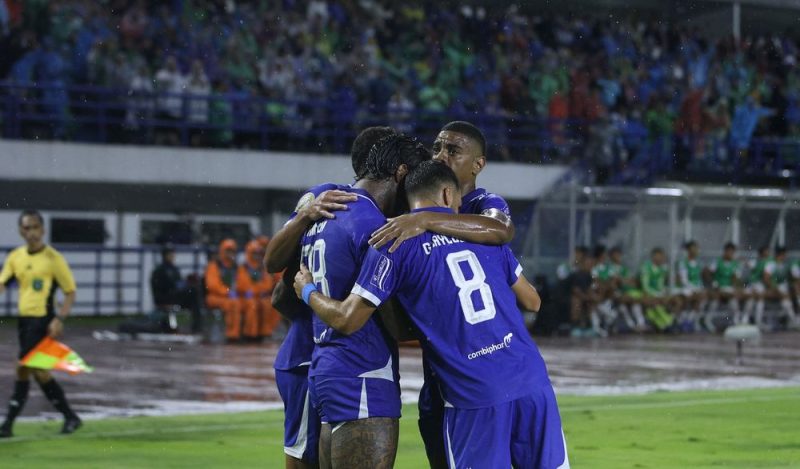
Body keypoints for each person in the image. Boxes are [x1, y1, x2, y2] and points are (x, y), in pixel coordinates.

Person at [293, 161, 568, 468]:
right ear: (449, 195)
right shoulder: (484, 235)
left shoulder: (394, 242)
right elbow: (532, 301)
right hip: (532, 382)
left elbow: (347, 319)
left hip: (474, 396)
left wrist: (307, 290)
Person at [367, 121, 515, 468]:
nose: (440, 155)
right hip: (439, 373)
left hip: (486, 372)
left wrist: (428, 220)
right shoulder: (411, 206)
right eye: (437, 147)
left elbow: (502, 229)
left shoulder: (483, 203)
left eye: (453, 150)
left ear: (478, 164)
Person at [263, 126, 396, 469]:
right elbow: (273, 266)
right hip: (311, 353)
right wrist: (306, 215)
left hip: (328, 357)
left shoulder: (365, 211)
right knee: (302, 458)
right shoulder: (329, 199)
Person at [0, 210, 81, 438]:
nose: (31, 232)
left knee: (25, 367)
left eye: (35, 227)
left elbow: (70, 292)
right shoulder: (16, 257)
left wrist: (59, 318)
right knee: (36, 371)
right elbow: (2, 282)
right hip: (24, 321)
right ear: (20, 231)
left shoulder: (53, 259)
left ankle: (7, 425)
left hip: (43, 320)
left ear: (43, 230)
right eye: (27, 228)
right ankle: (70, 417)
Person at [150, 244, 201, 333]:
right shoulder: (160, 271)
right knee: (193, 292)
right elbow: (162, 289)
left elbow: (178, 284)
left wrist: (187, 282)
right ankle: (196, 326)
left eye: (173, 254)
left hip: (174, 296)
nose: (173, 256)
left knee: (195, 292)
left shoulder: (174, 269)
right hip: (166, 298)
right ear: (165, 255)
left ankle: (196, 325)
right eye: (170, 254)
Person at [236, 240, 278, 340]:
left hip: (259, 297)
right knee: (252, 306)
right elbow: (243, 285)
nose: (256, 256)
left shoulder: (262, 268)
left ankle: (265, 333)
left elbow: (267, 285)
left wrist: (257, 290)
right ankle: (250, 335)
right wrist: (258, 290)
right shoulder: (243, 268)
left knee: (269, 305)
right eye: (254, 253)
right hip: (245, 298)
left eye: (258, 253)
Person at [204, 238, 243, 342]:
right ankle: (232, 335)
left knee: (249, 304)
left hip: (232, 297)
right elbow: (212, 285)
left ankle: (251, 334)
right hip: (215, 297)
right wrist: (227, 292)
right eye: (228, 251)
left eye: (232, 251)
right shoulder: (214, 266)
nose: (230, 254)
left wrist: (242, 292)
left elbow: (242, 283)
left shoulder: (236, 267)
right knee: (233, 304)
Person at [705, 242, 746, 331]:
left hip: (728, 289)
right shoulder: (717, 262)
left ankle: (736, 321)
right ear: (725, 251)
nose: (731, 254)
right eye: (729, 252)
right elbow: (707, 273)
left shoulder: (735, 264)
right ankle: (708, 321)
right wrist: (714, 283)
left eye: (733, 252)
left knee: (734, 300)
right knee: (715, 300)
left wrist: (738, 288)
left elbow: (736, 279)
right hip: (718, 287)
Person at [639, 248, 676, 332]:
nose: (663, 258)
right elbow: (645, 286)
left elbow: (660, 285)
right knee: (657, 302)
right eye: (661, 256)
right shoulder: (646, 267)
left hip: (657, 293)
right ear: (654, 256)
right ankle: (665, 323)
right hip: (646, 292)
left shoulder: (661, 269)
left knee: (673, 300)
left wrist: (663, 293)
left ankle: (666, 323)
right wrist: (658, 295)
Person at [675, 240, 708, 332]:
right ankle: (681, 321)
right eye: (695, 248)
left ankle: (690, 320)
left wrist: (700, 289)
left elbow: (699, 279)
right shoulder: (683, 262)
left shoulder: (699, 263)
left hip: (696, 288)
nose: (697, 251)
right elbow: (683, 280)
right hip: (685, 288)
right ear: (689, 250)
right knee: (689, 297)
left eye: (697, 248)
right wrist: (694, 289)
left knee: (702, 298)